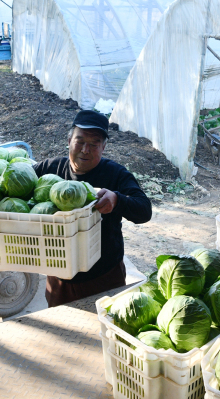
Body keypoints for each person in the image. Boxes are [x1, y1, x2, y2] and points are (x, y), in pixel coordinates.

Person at [33, 110, 152, 307]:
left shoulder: (115, 174)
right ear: (70, 140)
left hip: (104, 277)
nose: (85, 149)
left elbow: (144, 210)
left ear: (103, 147)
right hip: (59, 276)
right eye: (80, 141)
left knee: (105, 330)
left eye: (94, 144)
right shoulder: (50, 169)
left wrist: (117, 200)